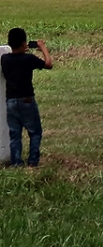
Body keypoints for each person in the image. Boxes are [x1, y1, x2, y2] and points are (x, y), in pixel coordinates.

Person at [2, 28, 52, 167]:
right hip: (27, 99)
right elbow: (48, 64)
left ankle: (16, 162)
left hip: (11, 100)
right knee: (35, 132)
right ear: (24, 43)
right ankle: (33, 161)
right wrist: (43, 48)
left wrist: (22, 50)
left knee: (15, 133)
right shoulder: (29, 59)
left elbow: (15, 58)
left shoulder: (4, 59)